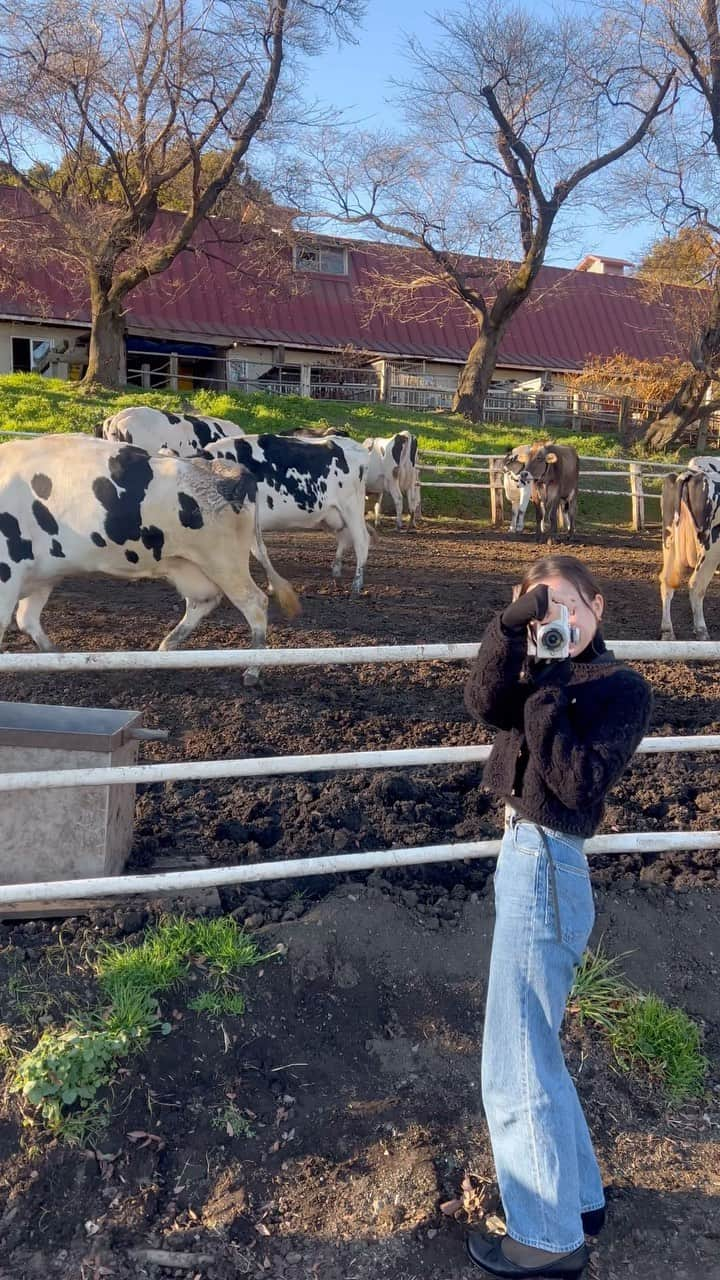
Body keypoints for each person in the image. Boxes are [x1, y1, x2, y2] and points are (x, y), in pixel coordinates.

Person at [463, 555, 652, 1280]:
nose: (556, 623)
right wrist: (507, 632)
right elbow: (483, 703)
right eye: (542, 611)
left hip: (548, 859)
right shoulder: (533, 667)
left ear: (598, 608)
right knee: (533, 1045)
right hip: (526, 858)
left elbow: (574, 783)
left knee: (512, 1061)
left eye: (567, 606)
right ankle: (578, 1201)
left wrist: (548, 688)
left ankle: (545, 1236)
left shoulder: (619, 689)